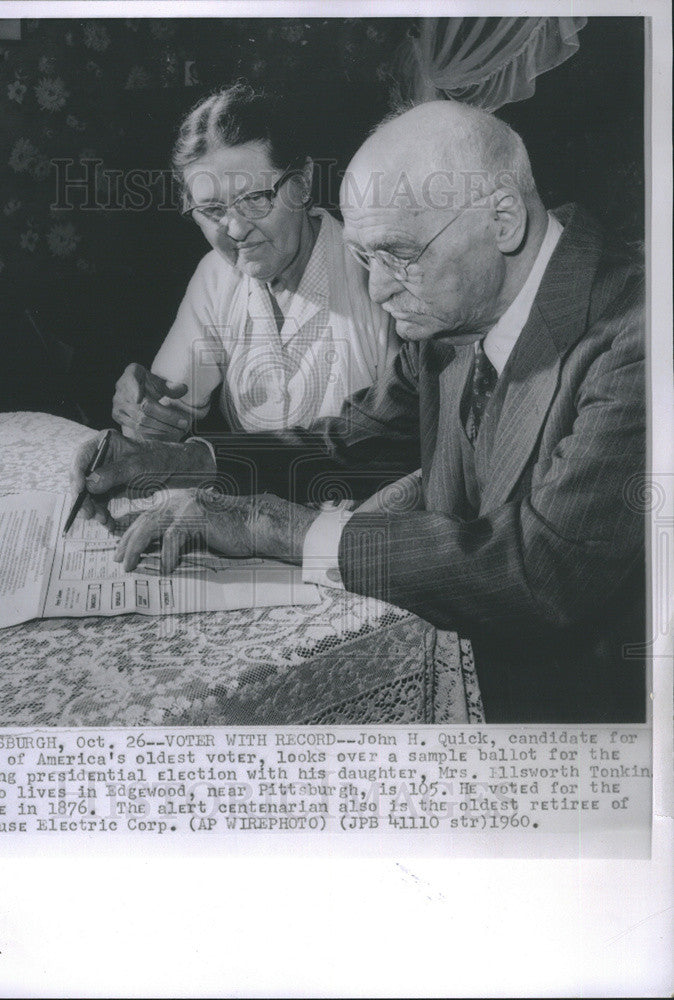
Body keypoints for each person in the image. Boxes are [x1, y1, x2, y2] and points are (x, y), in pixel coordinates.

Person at [74, 100, 646, 725]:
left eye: (397, 255)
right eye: (365, 259)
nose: (376, 290)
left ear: (503, 219)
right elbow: (350, 442)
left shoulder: (640, 336)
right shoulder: (457, 306)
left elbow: (542, 572)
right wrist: (175, 461)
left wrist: (278, 529)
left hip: (577, 725)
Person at [111, 82, 398, 440]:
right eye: (212, 210)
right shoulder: (216, 277)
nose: (235, 229)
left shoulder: (376, 274)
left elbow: (402, 441)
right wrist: (145, 409)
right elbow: (168, 410)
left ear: (304, 182)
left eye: (255, 198)